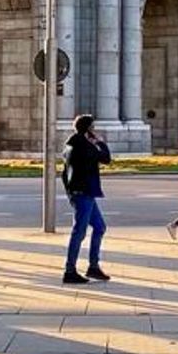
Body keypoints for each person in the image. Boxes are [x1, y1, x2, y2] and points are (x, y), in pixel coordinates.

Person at [62, 112, 112, 284]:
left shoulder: (70, 144)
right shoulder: (85, 146)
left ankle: (93, 267)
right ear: (88, 129)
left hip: (79, 192)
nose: (94, 130)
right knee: (79, 232)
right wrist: (98, 141)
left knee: (99, 227)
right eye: (93, 127)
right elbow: (106, 158)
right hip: (85, 193)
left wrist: (69, 191)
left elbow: (64, 173)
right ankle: (70, 270)